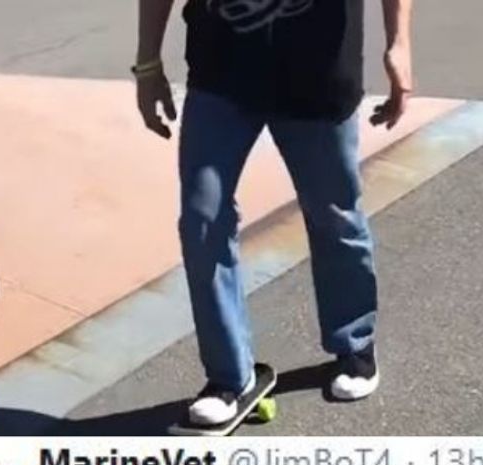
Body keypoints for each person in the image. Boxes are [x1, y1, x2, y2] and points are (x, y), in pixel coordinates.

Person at [135, 0, 413, 429]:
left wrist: (399, 44)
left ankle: (354, 341)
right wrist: (148, 63)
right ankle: (231, 377)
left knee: (333, 212)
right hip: (221, 73)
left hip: (317, 75)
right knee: (201, 218)